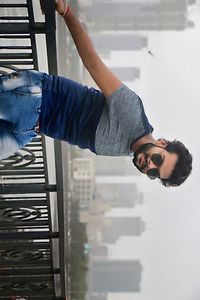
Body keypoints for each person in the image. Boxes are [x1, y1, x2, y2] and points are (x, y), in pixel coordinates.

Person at [0, 0, 192, 187]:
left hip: (34, 126)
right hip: (36, 99)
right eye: (158, 159)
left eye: (154, 173)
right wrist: (66, 11)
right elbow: (92, 62)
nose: (150, 165)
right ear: (162, 143)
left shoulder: (129, 149)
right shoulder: (132, 113)